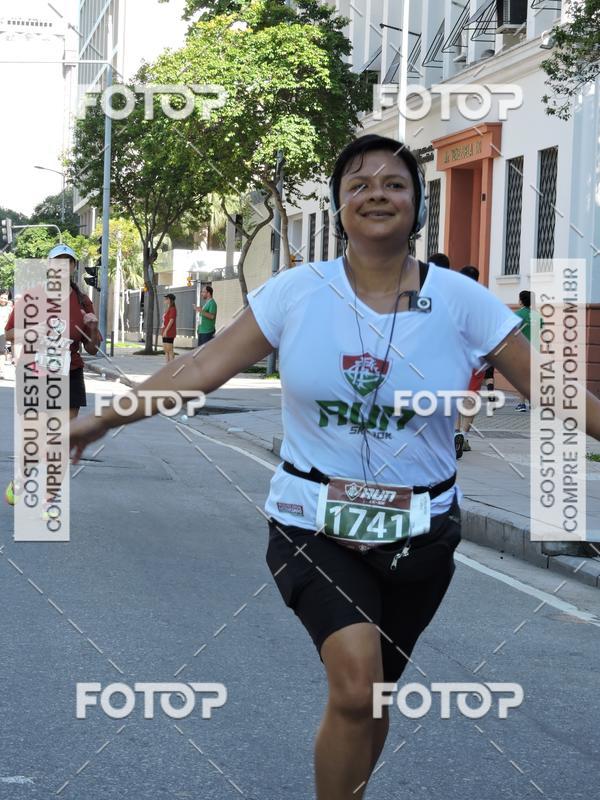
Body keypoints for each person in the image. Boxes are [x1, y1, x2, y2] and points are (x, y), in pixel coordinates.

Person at [69, 134, 600, 800]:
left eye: (395, 183)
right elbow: (199, 370)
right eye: (359, 183)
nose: (377, 192)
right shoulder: (297, 292)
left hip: (423, 529)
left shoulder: (464, 303)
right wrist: (100, 418)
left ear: (417, 205)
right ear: (340, 204)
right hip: (312, 522)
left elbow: (551, 386)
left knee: (374, 697)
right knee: (354, 685)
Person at [5, 243, 101, 505]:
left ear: (72, 267)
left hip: (70, 372)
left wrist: (92, 328)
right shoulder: (32, 297)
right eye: (57, 262)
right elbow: (10, 333)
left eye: (67, 262)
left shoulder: (82, 300)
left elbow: (92, 349)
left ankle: (50, 499)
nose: (62, 267)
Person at [454, 266, 482, 456]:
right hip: (477, 354)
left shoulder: (452, 298)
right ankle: (464, 434)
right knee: (471, 396)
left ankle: (454, 432)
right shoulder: (484, 299)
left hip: (455, 353)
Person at [514, 290, 542, 411]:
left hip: (522, 350)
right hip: (535, 350)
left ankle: (521, 404)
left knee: (521, 378)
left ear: (520, 300)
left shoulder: (518, 314)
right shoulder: (537, 315)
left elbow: (513, 331)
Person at [161, 293, 177, 363]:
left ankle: (172, 366)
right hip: (165, 331)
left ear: (170, 300)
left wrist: (166, 331)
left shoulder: (173, 309)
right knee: (166, 350)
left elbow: (171, 320)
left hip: (170, 332)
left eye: (167, 298)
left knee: (169, 350)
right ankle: (167, 365)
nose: (165, 300)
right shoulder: (168, 309)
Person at [0, 290, 13, 379]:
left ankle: (1, 371)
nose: (3, 300)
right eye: (2, 297)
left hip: (2, 333)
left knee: (1, 352)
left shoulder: (9, 309)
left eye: (5, 298)